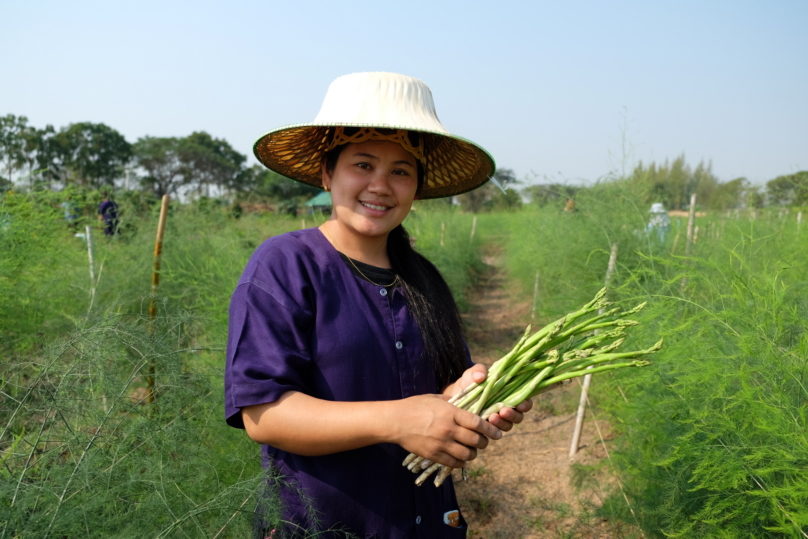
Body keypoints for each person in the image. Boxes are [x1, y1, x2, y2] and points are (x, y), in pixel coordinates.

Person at [225, 72, 533, 538]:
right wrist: (398, 420)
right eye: (363, 165)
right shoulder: (286, 265)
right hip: (323, 524)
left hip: (427, 523)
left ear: (417, 186)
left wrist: (470, 400)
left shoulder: (424, 279)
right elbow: (263, 414)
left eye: (400, 171)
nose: (381, 185)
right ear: (328, 174)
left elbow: (441, 397)